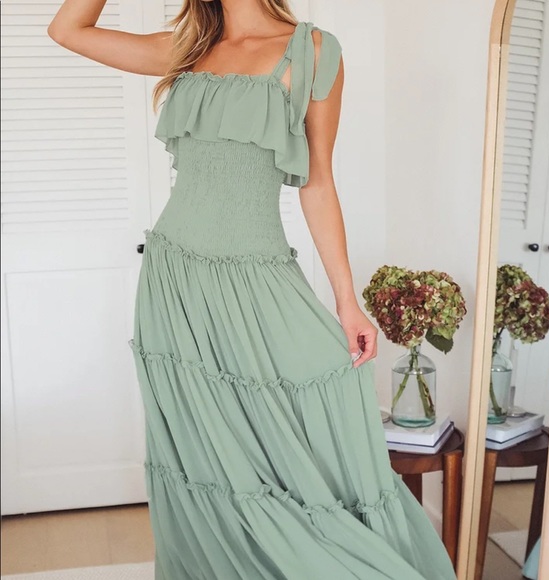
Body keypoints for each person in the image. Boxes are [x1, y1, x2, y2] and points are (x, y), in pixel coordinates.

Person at [48, 1, 457, 578]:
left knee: (283, 436)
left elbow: (318, 181)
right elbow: (67, 29)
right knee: (200, 454)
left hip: (255, 277)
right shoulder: (185, 48)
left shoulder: (312, 50)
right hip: (174, 283)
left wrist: (347, 300)